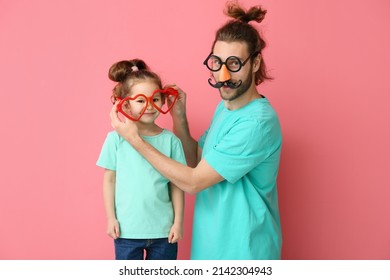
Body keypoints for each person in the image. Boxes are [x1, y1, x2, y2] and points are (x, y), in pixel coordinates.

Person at [110, 2, 282, 260]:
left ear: (255, 63)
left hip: (243, 254)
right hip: (210, 249)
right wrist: (179, 119)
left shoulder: (256, 123)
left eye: (234, 64)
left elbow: (193, 182)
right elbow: (196, 162)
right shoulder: (226, 108)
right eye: (217, 62)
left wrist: (135, 140)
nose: (223, 75)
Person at [97, 59, 186, 260]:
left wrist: (178, 222)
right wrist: (111, 218)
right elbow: (109, 180)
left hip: (164, 233)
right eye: (140, 100)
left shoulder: (171, 141)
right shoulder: (116, 139)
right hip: (127, 231)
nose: (149, 106)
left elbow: (177, 185)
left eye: (155, 99)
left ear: (163, 101)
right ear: (125, 104)